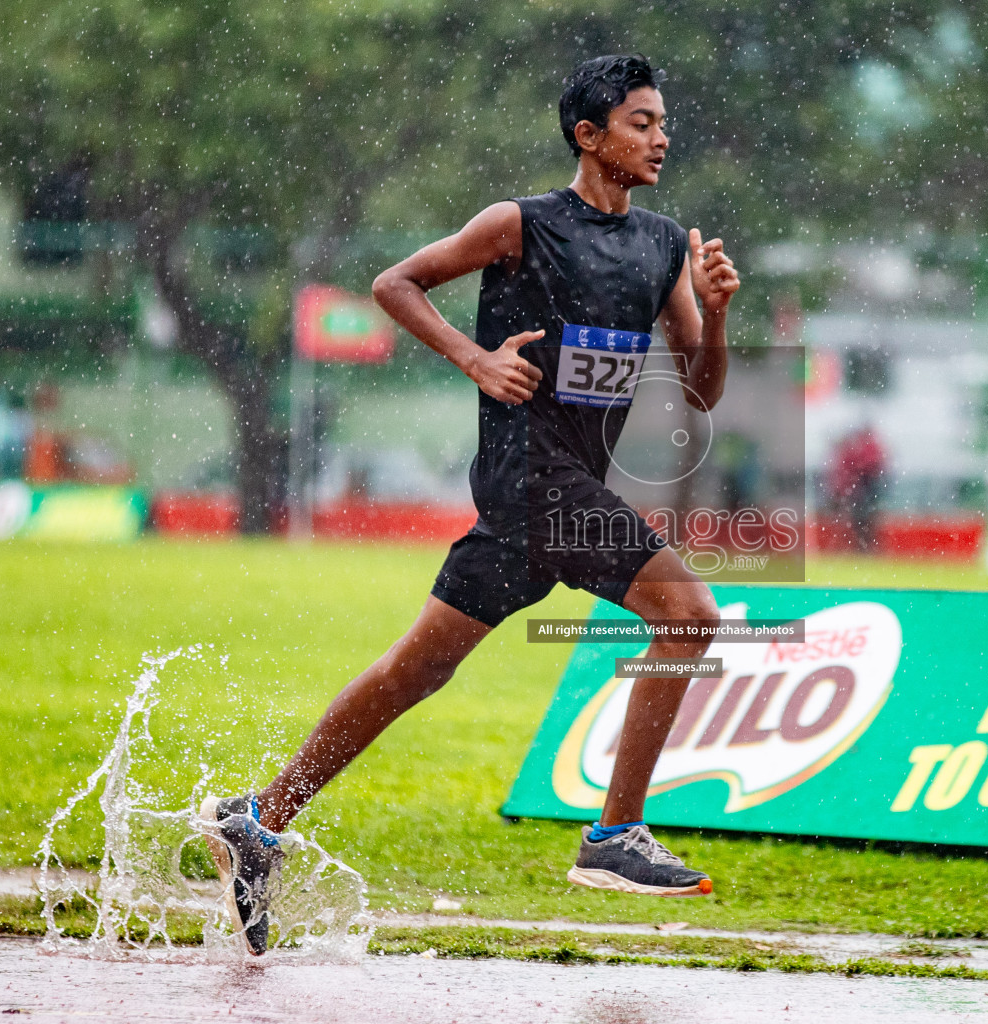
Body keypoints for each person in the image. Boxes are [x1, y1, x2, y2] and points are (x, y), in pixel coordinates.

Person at [200, 54, 741, 956]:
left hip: (561, 495)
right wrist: (475, 358)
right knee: (688, 614)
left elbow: (704, 391)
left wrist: (716, 317)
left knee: (417, 671)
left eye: (661, 122)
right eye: (641, 122)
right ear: (588, 134)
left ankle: (257, 820)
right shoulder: (519, 225)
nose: (660, 137)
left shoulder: (661, 246)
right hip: (529, 480)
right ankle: (614, 837)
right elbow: (393, 284)